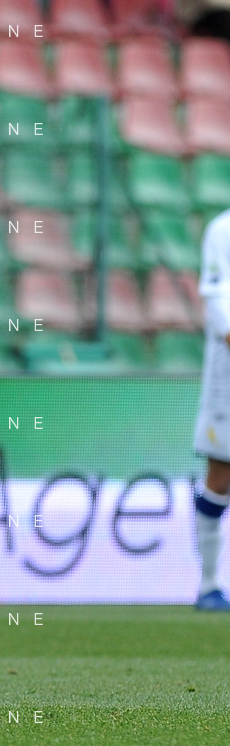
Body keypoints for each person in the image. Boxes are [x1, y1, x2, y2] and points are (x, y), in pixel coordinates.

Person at [191, 207, 230, 611]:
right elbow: (218, 300)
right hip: (227, 378)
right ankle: (208, 584)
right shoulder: (223, 229)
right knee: (221, 476)